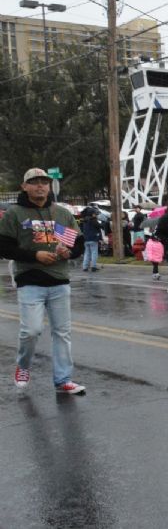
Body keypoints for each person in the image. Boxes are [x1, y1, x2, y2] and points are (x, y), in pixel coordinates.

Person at [0, 168, 85, 394]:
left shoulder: (61, 213)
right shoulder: (14, 213)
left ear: (49, 186)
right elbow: (5, 247)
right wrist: (34, 255)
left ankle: (63, 379)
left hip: (59, 280)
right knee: (31, 330)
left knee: (62, 333)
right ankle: (23, 366)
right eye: (34, 182)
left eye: (44, 182)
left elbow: (78, 243)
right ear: (24, 186)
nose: (40, 186)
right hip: (30, 280)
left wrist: (70, 253)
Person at [79, 206, 101, 272]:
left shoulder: (84, 220)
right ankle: (93, 266)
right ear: (92, 214)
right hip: (93, 238)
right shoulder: (93, 220)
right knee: (94, 253)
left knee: (87, 253)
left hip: (86, 239)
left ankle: (85, 267)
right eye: (95, 214)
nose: (96, 215)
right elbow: (99, 226)